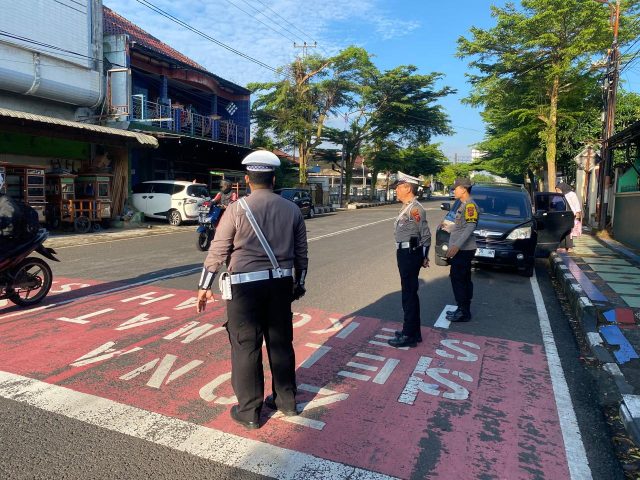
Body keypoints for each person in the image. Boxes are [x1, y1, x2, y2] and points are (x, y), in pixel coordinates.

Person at [195, 150, 308, 430]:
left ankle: (249, 411)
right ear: (273, 179)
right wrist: (299, 283)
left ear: (247, 179)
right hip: (281, 284)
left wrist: (204, 286)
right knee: (281, 342)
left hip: (245, 287)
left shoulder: (236, 209)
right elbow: (301, 254)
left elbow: (218, 249)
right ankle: (286, 401)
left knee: (246, 345)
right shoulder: (292, 209)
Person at [389, 172, 431, 348]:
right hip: (406, 253)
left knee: (409, 295)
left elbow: (425, 235)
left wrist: (424, 256)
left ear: (407, 188)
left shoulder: (415, 209)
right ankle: (414, 332)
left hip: (410, 254)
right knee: (409, 293)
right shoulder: (407, 207)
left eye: (398, 187)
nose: (396, 190)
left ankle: (408, 335)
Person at [445, 178, 478, 323]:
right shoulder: (463, 204)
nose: (454, 191)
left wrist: (457, 246)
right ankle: (461, 308)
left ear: (464, 189)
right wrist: (449, 227)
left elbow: (470, 227)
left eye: (456, 188)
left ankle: (464, 312)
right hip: (462, 249)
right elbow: (462, 226)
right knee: (459, 279)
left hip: (464, 249)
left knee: (460, 280)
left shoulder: (470, 205)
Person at [556, 182, 582, 252]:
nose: (557, 191)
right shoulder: (558, 195)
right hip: (561, 215)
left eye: (558, 190)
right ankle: (562, 246)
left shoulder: (571, 194)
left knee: (569, 231)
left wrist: (577, 213)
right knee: (562, 230)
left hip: (570, 214)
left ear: (563, 188)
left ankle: (570, 247)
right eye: (556, 190)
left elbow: (576, 204)